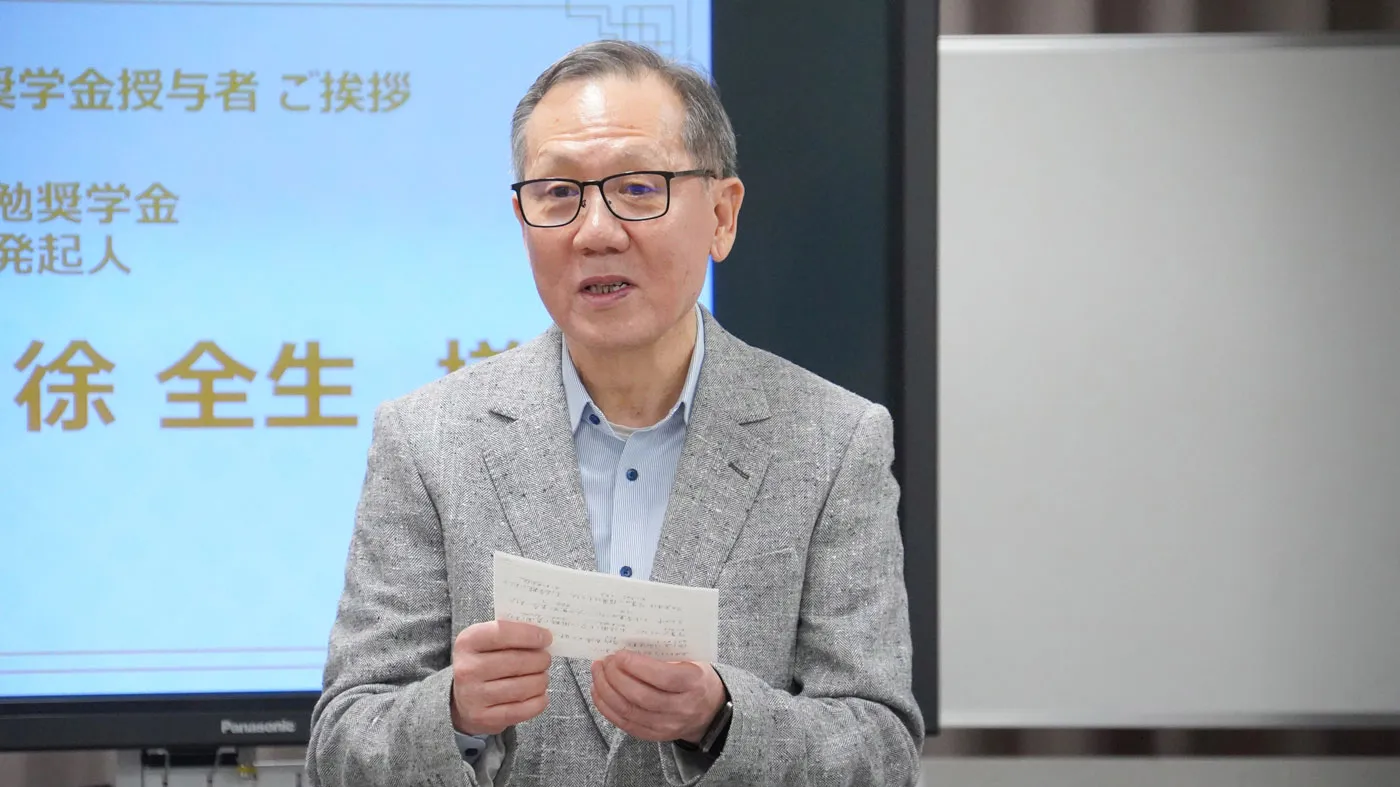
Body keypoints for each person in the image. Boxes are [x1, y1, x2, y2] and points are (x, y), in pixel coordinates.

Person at [306, 39, 925, 787]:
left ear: (722, 215)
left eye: (637, 188)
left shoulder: (834, 440)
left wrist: (723, 717)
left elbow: (880, 747)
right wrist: (454, 712)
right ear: (522, 218)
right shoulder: (428, 437)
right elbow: (341, 744)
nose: (595, 231)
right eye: (557, 193)